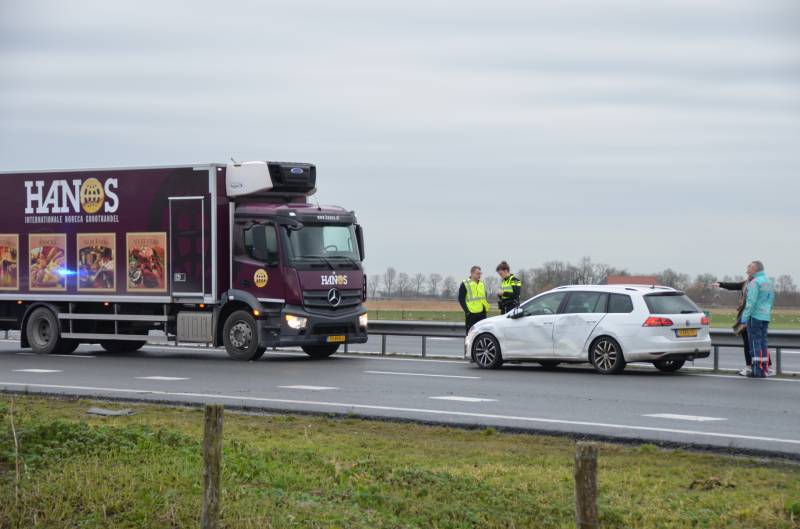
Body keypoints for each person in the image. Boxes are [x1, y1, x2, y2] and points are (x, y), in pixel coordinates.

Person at [713, 272, 753, 377]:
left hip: (753, 317)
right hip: (744, 316)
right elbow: (734, 286)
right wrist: (721, 284)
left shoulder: (756, 284)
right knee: (748, 342)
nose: (747, 273)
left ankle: (759, 366)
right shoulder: (746, 283)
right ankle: (750, 366)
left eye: (750, 270)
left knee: (754, 343)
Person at [740, 261, 775, 378]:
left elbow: (751, 302)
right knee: (763, 343)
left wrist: (744, 318)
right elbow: (770, 300)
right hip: (766, 316)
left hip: (755, 316)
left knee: (754, 343)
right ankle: (765, 369)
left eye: (749, 267)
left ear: (755, 269)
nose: (747, 270)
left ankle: (756, 370)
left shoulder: (755, 282)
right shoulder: (768, 281)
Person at [458, 265, 491, 332]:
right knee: (471, 334)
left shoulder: (482, 283)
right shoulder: (465, 283)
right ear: (472, 273)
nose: (479, 275)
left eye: (480, 274)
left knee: (482, 333)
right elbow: (461, 299)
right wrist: (467, 311)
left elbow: (484, 297)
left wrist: (485, 308)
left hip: (482, 313)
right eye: (477, 273)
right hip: (471, 314)